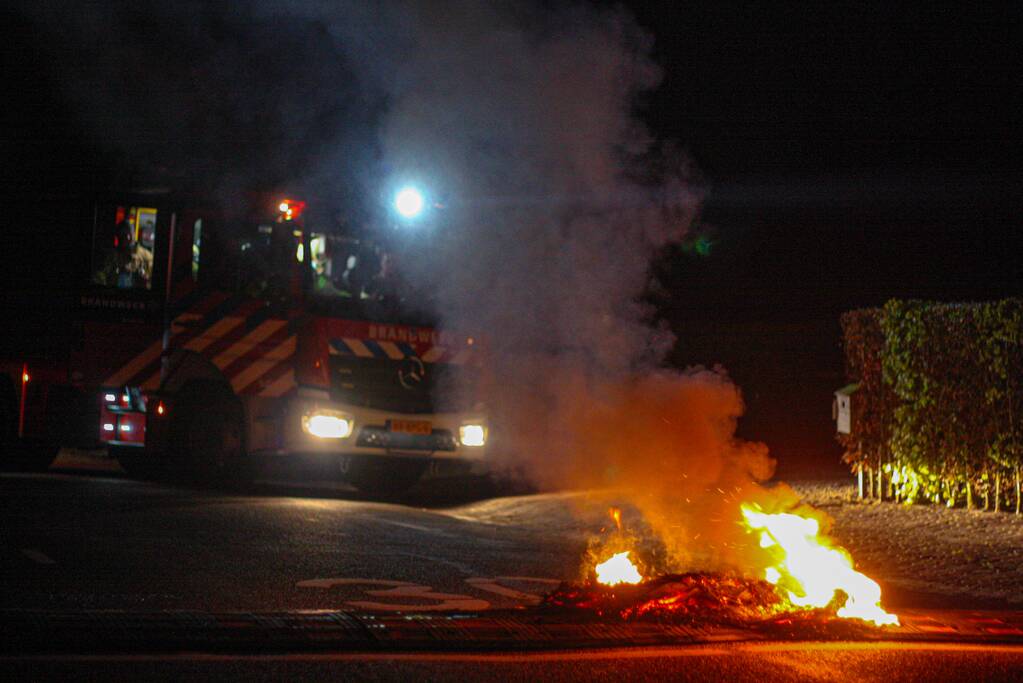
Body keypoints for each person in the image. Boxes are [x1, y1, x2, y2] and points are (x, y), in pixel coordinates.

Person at [94, 220, 154, 289]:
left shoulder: (147, 257)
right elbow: (99, 277)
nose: (128, 237)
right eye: (123, 234)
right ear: (118, 237)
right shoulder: (111, 256)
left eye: (130, 233)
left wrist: (145, 284)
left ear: (134, 234)